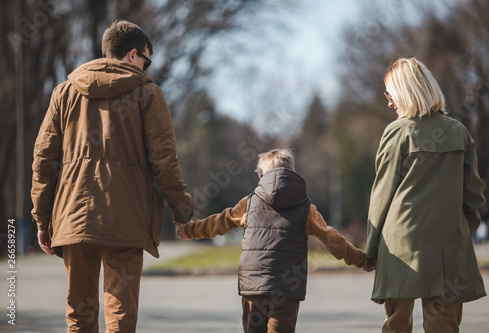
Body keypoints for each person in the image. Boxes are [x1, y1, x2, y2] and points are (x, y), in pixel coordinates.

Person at [31, 20, 193, 332]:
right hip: (125, 220)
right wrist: (182, 210)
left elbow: (43, 160)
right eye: (147, 60)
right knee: (120, 316)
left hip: (72, 218)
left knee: (79, 315)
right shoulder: (147, 94)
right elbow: (164, 161)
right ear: (133, 54)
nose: (147, 68)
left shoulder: (64, 93)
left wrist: (42, 218)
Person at [174, 148, 376, 333]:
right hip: (286, 290)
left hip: (253, 287)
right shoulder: (306, 208)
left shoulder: (250, 202)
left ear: (261, 176)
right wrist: (363, 260)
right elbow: (333, 240)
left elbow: (221, 221)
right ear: (292, 174)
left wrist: (190, 230)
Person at [366, 57, 486, 333]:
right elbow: (474, 198)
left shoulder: (397, 132)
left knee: (397, 326)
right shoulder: (460, 132)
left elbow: (382, 195)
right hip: (449, 250)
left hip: (400, 248)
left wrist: (371, 249)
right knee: (443, 326)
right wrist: (459, 234)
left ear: (406, 92)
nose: (388, 102)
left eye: (390, 94)